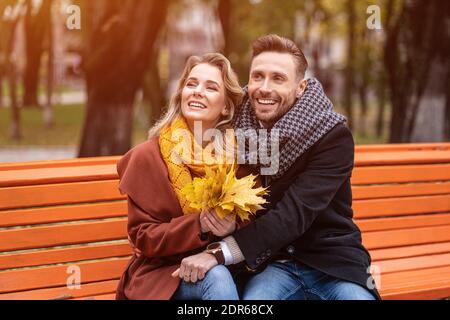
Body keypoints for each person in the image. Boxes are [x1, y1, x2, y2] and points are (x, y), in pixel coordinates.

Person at [194, 34, 381, 300]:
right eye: (257, 76)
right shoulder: (236, 129)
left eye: (278, 78)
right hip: (272, 265)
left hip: (331, 263)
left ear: (301, 87)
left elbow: (294, 214)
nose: (264, 88)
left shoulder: (331, 135)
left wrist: (219, 252)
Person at [115, 53, 247, 300]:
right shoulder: (148, 156)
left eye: (210, 87)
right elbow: (143, 238)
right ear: (181, 94)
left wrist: (233, 227)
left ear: (227, 105)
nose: (197, 91)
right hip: (162, 276)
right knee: (217, 279)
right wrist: (200, 224)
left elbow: (256, 223)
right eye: (191, 84)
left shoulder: (237, 158)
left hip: (223, 266)